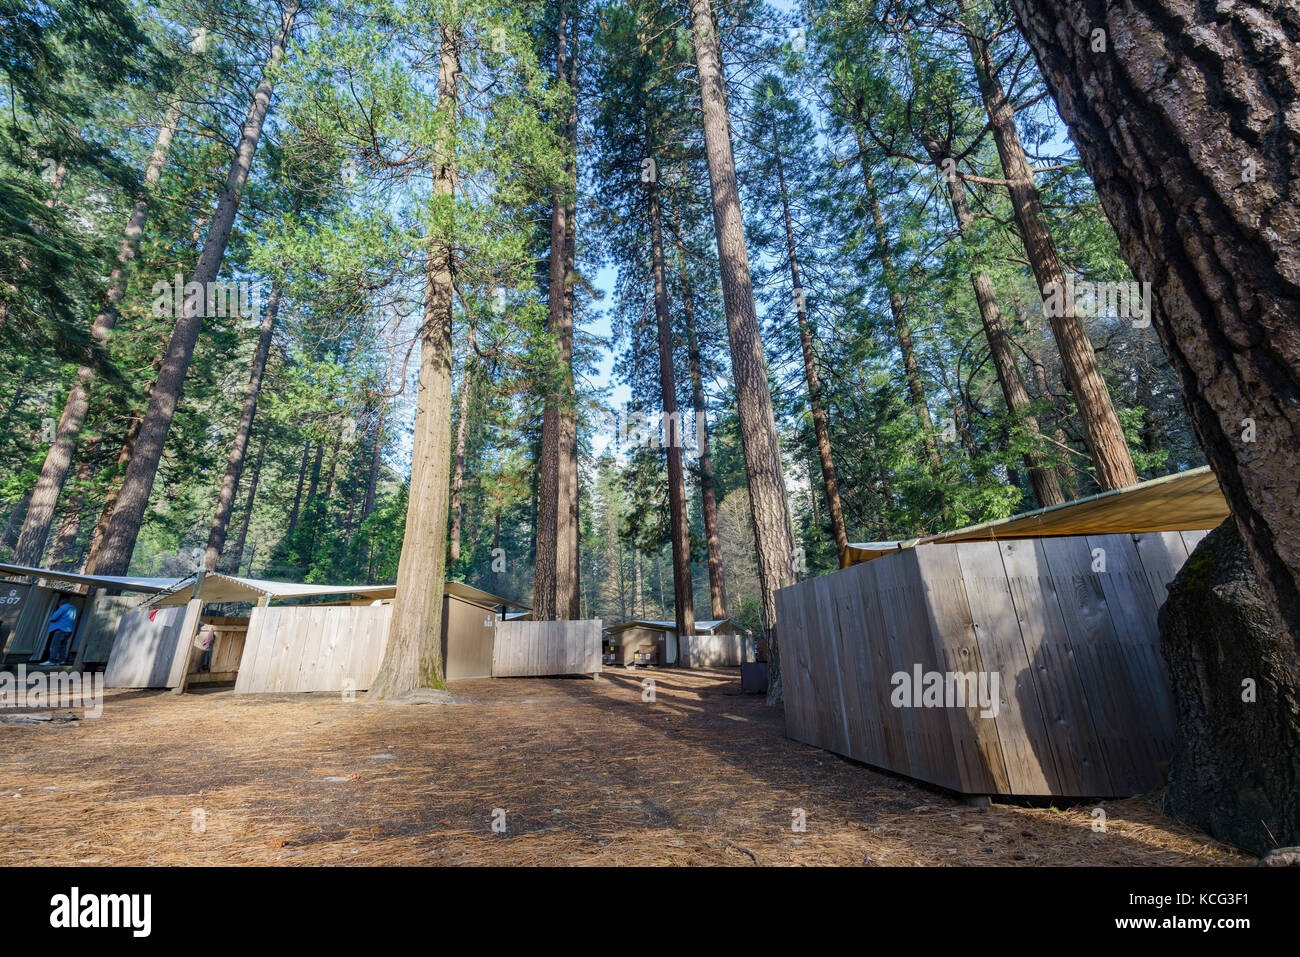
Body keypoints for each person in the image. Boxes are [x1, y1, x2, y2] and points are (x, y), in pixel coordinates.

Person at [36, 599, 77, 667]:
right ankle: (62, 660)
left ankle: (51, 660)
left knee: (54, 645)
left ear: (60, 604)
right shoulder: (74, 608)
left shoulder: (62, 608)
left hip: (60, 629)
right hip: (69, 630)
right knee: (63, 646)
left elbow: (53, 618)